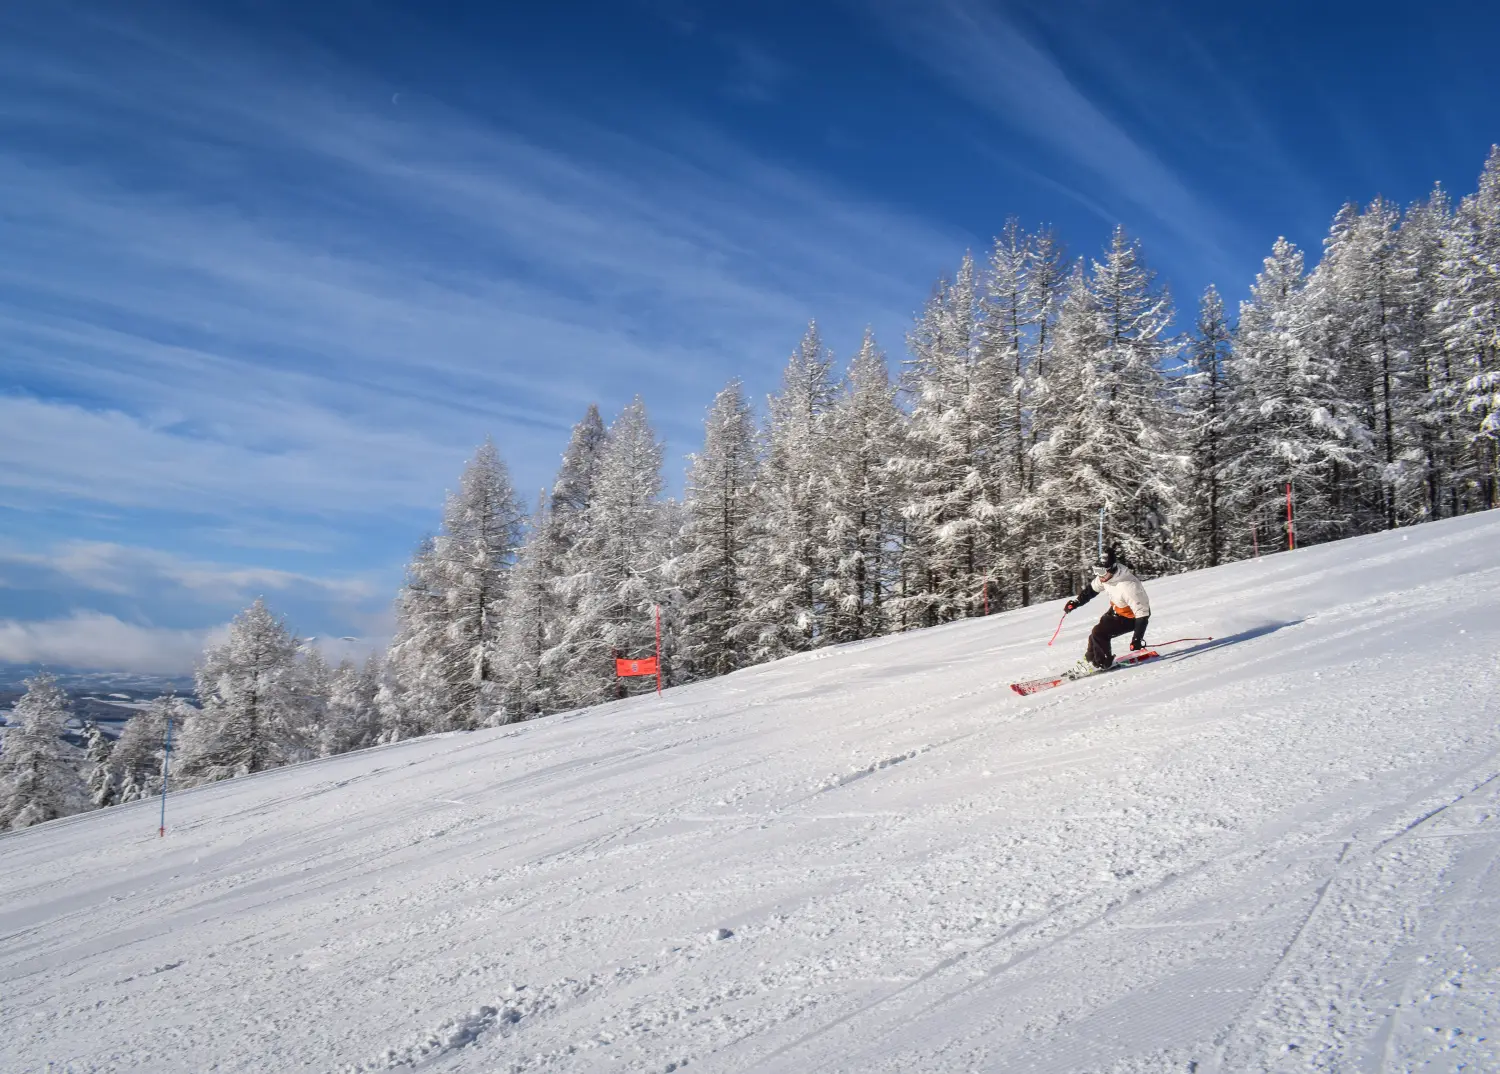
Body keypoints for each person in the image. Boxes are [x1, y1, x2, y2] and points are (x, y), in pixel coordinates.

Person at [1063, 548, 1150, 674]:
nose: (1100, 576)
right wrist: (1076, 602)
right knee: (1095, 634)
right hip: (1116, 609)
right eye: (1097, 571)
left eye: (1102, 572)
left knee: (1099, 633)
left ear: (1112, 569)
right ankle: (1090, 660)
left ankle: (1102, 663)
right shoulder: (1106, 577)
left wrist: (1137, 639)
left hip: (1132, 618)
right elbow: (1091, 590)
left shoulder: (1128, 586)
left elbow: (1143, 614)